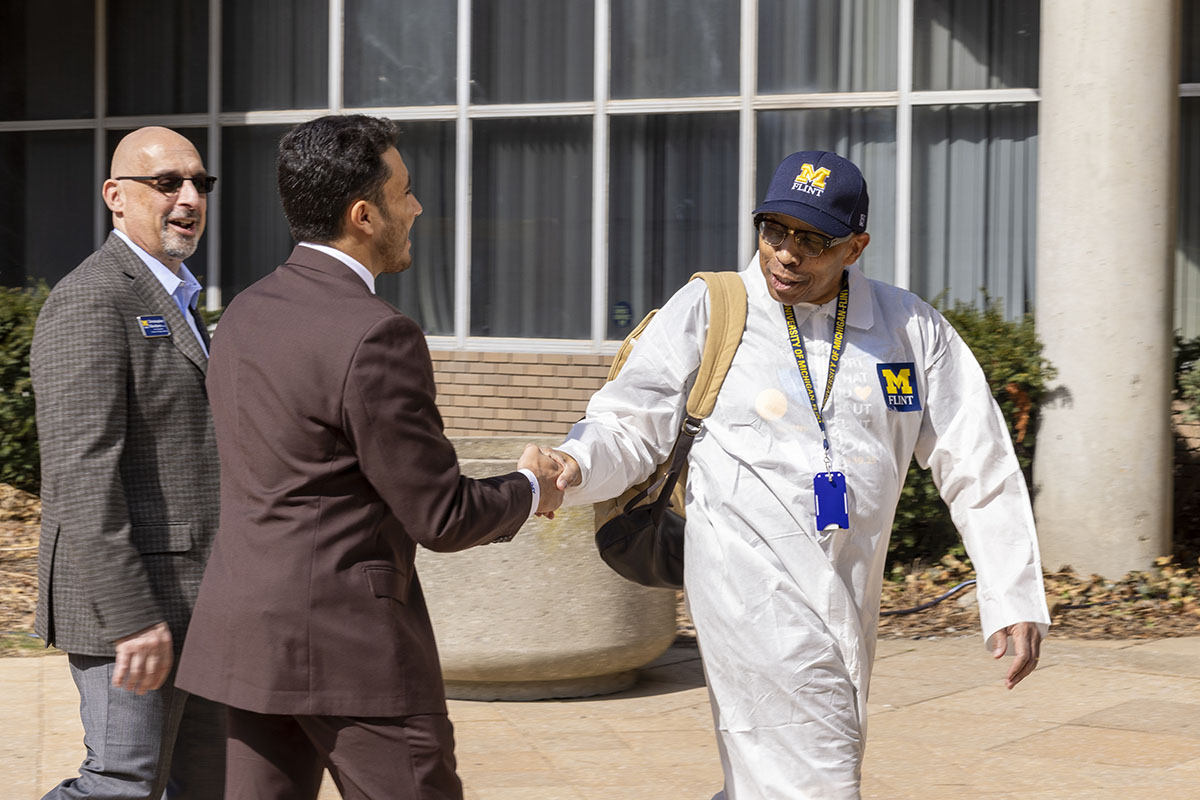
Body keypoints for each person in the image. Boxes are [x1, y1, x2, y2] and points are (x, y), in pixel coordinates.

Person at [548, 150, 1051, 799]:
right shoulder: (712, 310)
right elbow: (628, 423)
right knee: (816, 783)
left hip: (846, 596)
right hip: (747, 594)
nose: (786, 254)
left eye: (812, 239)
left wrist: (1010, 592)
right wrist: (574, 463)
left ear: (855, 247)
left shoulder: (907, 331)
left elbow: (976, 457)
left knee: (778, 781)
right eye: (774, 231)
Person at [174, 114, 564, 800]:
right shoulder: (378, 335)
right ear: (363, 214)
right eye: (404, 192)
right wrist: (533, 485)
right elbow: (440, 516)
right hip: (352, 651)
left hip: (246, 635)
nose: (415, 207)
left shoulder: (240, 313)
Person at [30, 126, 225, 799]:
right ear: (116, 196)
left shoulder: (177, 297)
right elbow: (80, 477)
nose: (189, 198)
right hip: (129, 606)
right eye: (168, 182)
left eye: (200, 183)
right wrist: (131, 617)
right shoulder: (92, 299)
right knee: (120, 785)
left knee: (205, 785)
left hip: (201, 601)